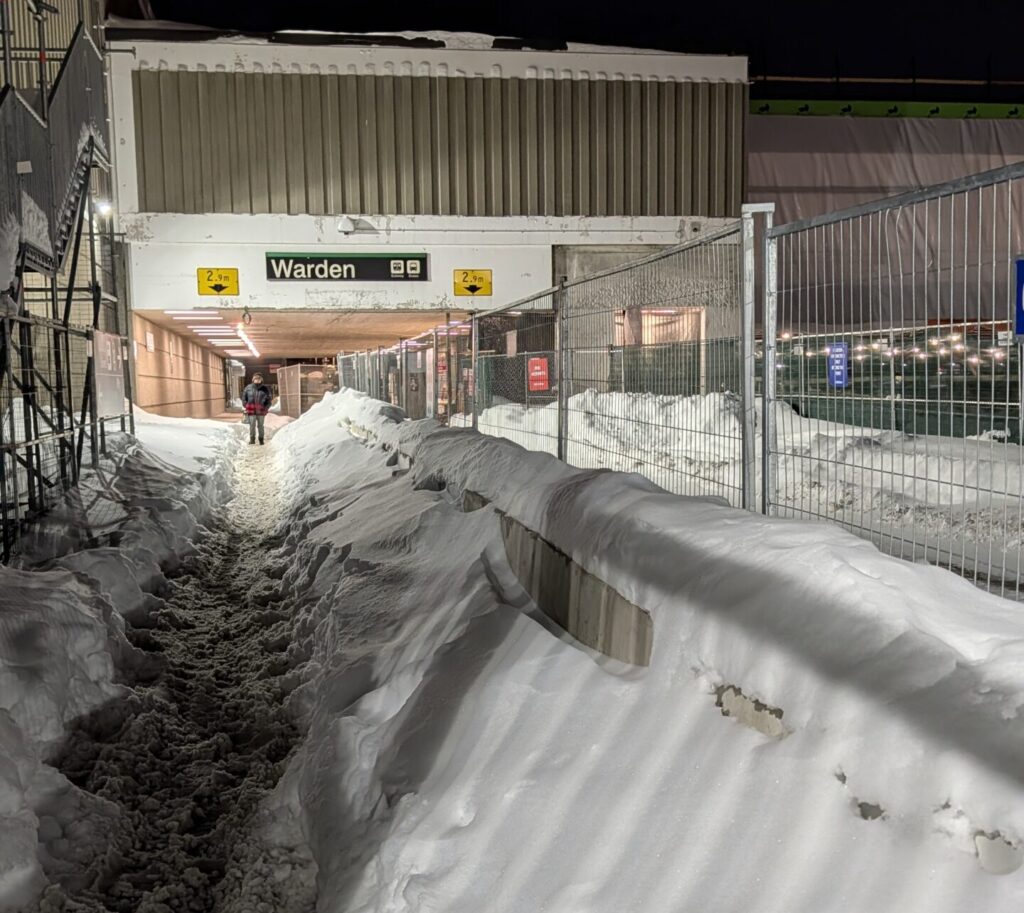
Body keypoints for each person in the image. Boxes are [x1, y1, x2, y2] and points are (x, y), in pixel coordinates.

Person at [242, 373, 273, 445]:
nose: (257, 380)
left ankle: (261, 440)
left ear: (261, 380)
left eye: (259, 379)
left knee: (260, 426)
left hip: (261, 411)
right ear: (253, 380)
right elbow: (244, 398)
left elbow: (269, 400)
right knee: (252, 426)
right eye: (256, 379)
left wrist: (265, 408)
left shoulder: (265, 389)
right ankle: (252, 439)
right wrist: (246, 406)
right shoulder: (248, 387)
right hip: (251, 411)